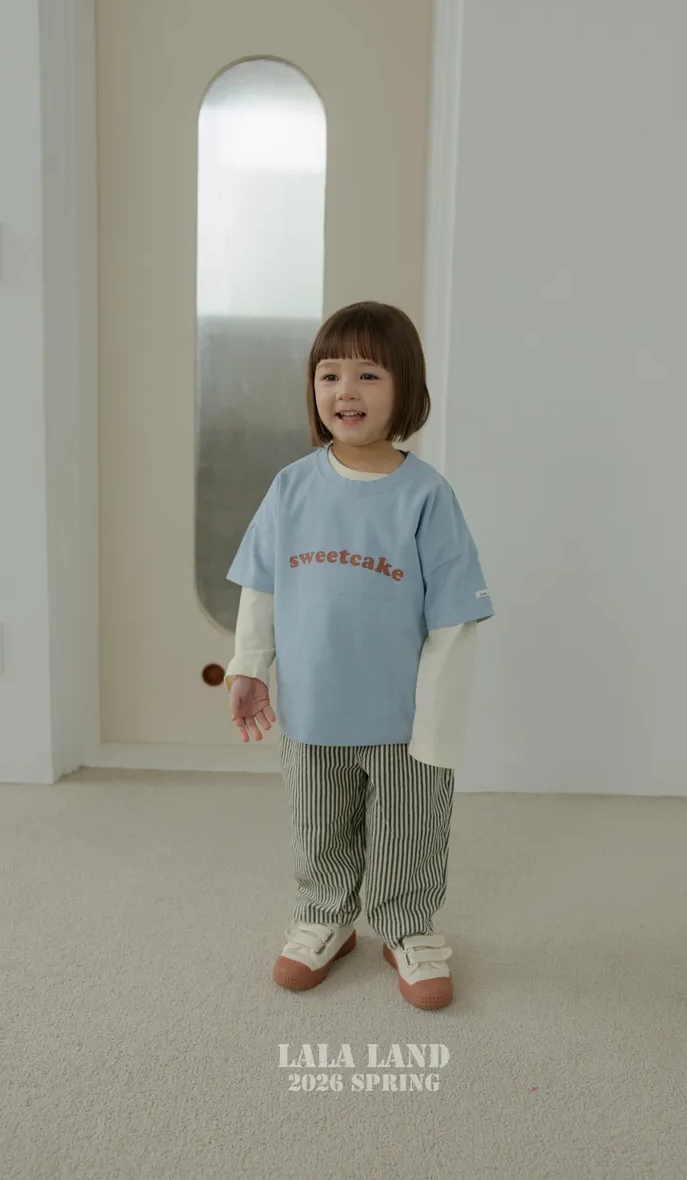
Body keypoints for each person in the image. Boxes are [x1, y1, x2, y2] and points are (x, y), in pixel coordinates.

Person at [224, 301, 494, 1010]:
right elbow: (261, 586)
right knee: (318, 826)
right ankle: (325, 917)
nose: (346, 390)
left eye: (369, 374)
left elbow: (455, 620)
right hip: (313, 709)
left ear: (406, 388)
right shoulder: (291, 487)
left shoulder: (427, 496)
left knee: (410, 831)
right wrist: (249, 667)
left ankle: (407, 928)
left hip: (403, 718)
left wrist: (439, 722)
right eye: (330, 374)